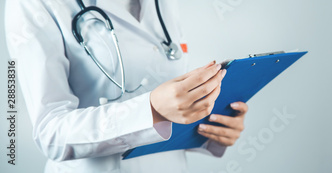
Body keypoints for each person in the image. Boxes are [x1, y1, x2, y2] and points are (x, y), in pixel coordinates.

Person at [5, 0, 247, 172]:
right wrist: (150, 110)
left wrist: (211, 126)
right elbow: (50, 133)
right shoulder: (33, 4)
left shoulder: (162, 4)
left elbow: (169, 105)